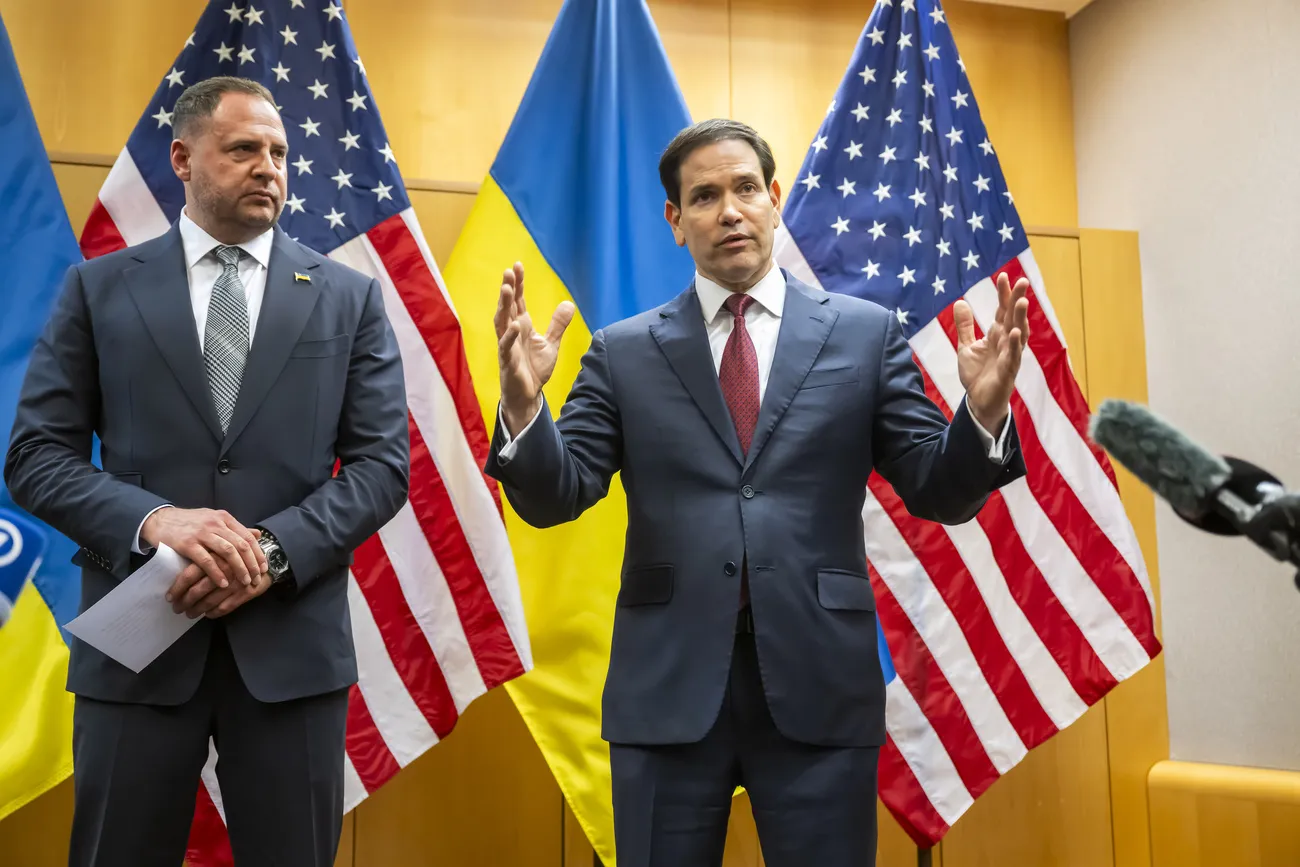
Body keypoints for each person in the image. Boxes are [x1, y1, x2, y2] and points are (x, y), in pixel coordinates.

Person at [486, 119, 1030, 867]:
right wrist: (523, 410)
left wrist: (983, 414)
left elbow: (940, 491)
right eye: (704, 197)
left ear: (774, 198)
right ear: (676, 221)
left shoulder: (865, 336)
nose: (730, 211)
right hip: (667, 689)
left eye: (745, 188)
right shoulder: (623, 351)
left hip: (819, 682)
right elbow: (557, 496)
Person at [4, 76, 409, 867]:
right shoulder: (97, 289)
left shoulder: (349, 299)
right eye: (244, 149)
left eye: (280, 153)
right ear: (183, 159)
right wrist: (154, 521)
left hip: (291, 653)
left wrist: (269, 551)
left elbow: (381, 467)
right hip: (136, 650)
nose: (269, 168)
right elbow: (35, 456)